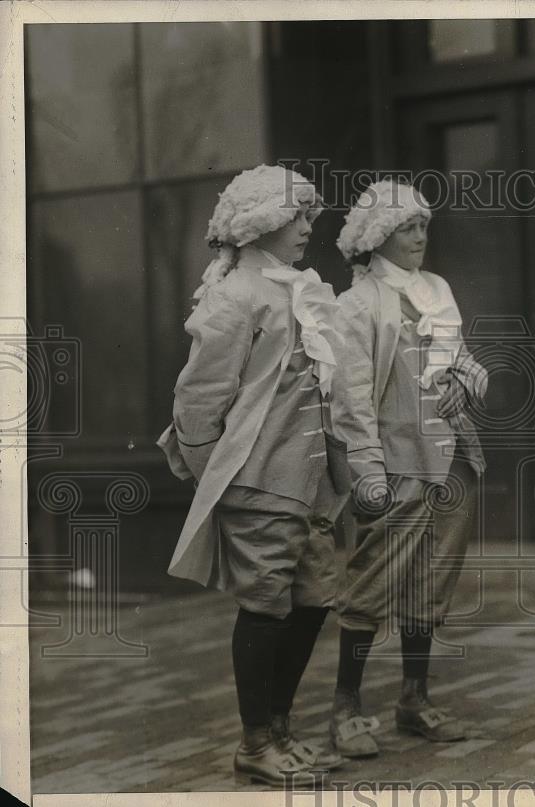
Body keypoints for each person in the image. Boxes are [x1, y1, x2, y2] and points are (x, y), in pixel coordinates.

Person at [157, 164, 348, 785]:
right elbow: (198, 398)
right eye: (296, 216)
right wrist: (221, 475)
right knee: (266, 606)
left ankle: (280, 725)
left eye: (310, 217)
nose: (306, 228)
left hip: (309, 481)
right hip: (259, 481)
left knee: (316, 597)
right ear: (260, 221)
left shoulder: (293, 285)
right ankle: (256, 741)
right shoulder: (236, 294)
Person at [326, 179, 487, 759]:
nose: (419, 237)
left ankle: (414, 698)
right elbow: (349, 400)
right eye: (406, 228)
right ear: (377, 237)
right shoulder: (357, 305)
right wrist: (367, 472)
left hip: (452, 460)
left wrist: (461, 386)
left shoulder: (435, 289)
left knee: (432, 580)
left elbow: (465, 361)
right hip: (395, 465)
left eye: (423, 227)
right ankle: (346, 705)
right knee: (373, 579)